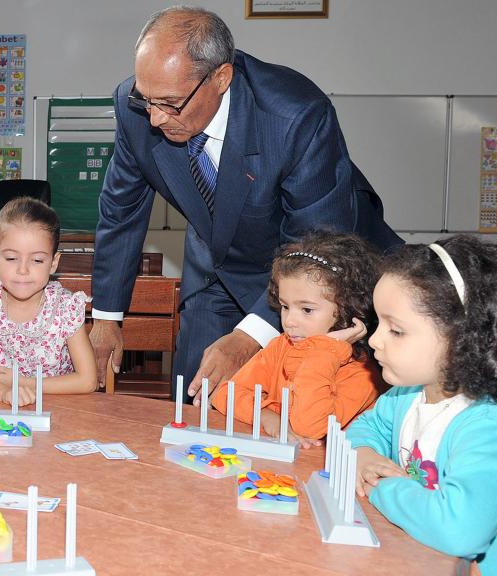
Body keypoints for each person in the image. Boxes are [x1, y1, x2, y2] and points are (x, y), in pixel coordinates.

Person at [89, 6, 401, 407]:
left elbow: (316, 244)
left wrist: (249, 336)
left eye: (168, 103)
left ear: (221, 78)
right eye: (145, 98)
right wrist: (107, 318)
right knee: (192, 401)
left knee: (301, 411)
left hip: (319, 276)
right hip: (218, 263)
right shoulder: (136, 109)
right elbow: (121, 213)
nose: (153, 119)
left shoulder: (294, 116)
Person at [346, 235, 497, 573]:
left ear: (462, 339)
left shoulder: (488, 426)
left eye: (396, 331)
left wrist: (381, 486)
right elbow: (363, 427)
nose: (374, 340)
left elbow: (460, 531)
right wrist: (364, 455)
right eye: (378, 323)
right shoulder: (408, 396)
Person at [210, 232, 382, 447]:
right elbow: (226, 394)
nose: (289, 321)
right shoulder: (281, 346)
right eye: (285, 306)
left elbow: (309, 428)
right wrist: (264, 414)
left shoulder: (362, 373)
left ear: (349, 309)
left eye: (307, 309)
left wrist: (324, 351)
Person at [0, 197, 96, 406]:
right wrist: (2, 392)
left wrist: (25, 383)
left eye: (37, 260)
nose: (23, 270)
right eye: (11, 258)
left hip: (58, 410)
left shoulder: (65, 308)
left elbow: (88, 380)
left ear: (53, 263)